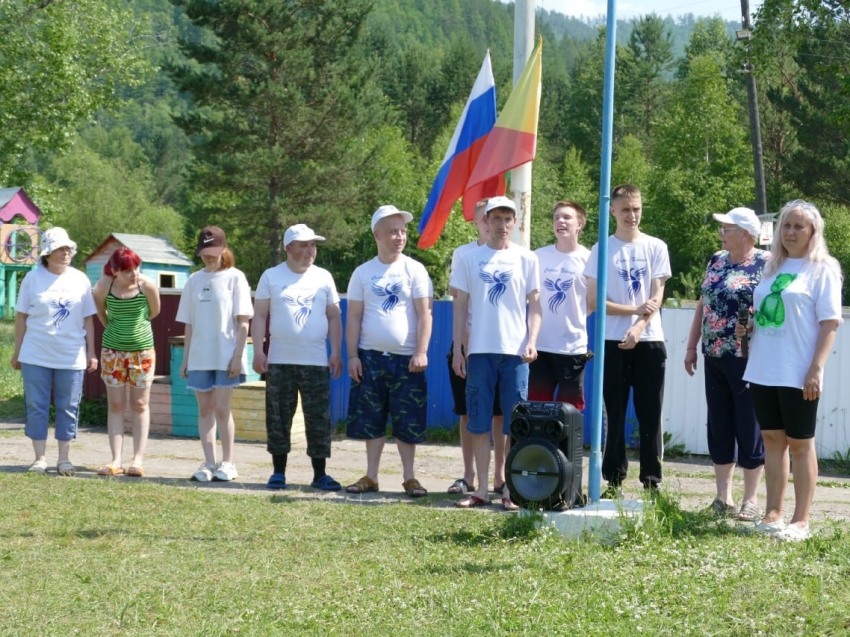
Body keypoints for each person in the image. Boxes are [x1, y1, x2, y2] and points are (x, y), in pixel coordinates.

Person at [739, 200, 842, 541]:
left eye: (799, 226)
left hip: (799, 371)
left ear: (813, 231)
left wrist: (816, 369)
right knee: (772, 441)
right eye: (786, 225)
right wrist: (750, 327)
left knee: (800, 444)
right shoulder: (771, 267)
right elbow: (769, 313)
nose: (791, 232)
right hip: (764, 368)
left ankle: (801, 520)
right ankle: (773, 513)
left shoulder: (823, 268)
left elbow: (829, 324)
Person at [451, 196, 542, 510]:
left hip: (515, 353)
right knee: (477, 421)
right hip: (479, 352)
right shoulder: (468, 259)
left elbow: (535, 307)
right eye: (496, 219)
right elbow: (460, 306)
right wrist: (459, 351)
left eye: (507, 219)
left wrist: (532, 340)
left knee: (514, 423)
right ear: (485, 222)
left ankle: (509, 489)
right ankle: (479, 491)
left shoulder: (526, 259)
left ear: (514, 222)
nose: (501, 225)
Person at [585, 184, 671, 495]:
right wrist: (633, 311)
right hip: (611, 341)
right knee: (615, 412)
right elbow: (594, 301)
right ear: (613, 211)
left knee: (650, 412)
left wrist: (638, 326)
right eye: (625, 210)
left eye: (636, 209)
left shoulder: (655, 246)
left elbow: (657, 294)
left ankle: (652, 482)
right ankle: (614, 480)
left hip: (649, 341)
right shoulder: (601, 249)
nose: (631, 215)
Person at [684, 207, 768, 521]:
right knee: (719, 425)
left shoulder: (765, 264)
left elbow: (774, 307)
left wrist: (756, 324)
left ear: (746, 233)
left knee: (748, 425)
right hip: (714, 355)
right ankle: (723, 497)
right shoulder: (717, 260)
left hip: (747, 357)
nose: (722, 233)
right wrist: (692, 345)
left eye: (727, 228)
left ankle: (750, 499)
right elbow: (702, 305)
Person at [344, 205, 433, 498]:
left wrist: (421, 351)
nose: (400, 237)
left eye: (403, 231)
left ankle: (410, 478)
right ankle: (371, 476)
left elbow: (425, 314)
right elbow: (354, 316)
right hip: (370, 358)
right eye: (393, 231)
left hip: (408, 361)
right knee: (371, 418)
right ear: (377, 234)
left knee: (408, 421)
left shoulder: (415, 269)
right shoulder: (362, 272)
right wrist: (353, 356)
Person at [252, 224, 343, 491]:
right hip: (280, 360)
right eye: (303, 245)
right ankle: (278, 472)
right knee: (278, 417)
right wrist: (259, 350)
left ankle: (320, 474)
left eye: (313, 245)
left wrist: (336, 351)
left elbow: (334, 316)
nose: (309, 250)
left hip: (316, 360)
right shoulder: (271, 276)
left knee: (318, 418)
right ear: (288, 247)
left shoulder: (324, 277)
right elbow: (258, 315)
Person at [10, 228, 98, 476]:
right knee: (36, 405)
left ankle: (64, 459)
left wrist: (92, 352)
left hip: (71, 355)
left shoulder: (81, 279)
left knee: (68, 406)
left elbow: (88, 319)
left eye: (68, 248)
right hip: (35, 353)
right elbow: (21, 318)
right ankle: (39, 458)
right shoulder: (32, 279)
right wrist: (17, 352)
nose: (66, 252)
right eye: (60, 248)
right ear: (47, 253)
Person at [176, 226, 253, 482]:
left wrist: (237, 356)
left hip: (226, 354)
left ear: (224, 250)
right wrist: (185, 359)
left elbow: (243, 322)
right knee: (205, 409)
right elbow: (188, 323)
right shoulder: (193, 280)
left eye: (214, 252)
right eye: (205, 252)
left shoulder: (235, 277)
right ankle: (209, 462)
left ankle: (228, 462)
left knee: (222, 408)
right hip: (200, 356)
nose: (209, 257)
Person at [446, 199, 506, 496]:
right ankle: (469, 476)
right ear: (477, 221)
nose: (489, 222)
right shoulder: (464, 254)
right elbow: (458, 297)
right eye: (483, 217)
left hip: (500, 346)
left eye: (493, 217)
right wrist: (461, 344)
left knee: (501, 415)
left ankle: (500, 476)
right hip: (468, 344)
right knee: (468, 413)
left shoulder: (514, 255)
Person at [92, 247, 161, 477]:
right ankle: (115, 460)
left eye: (136, 268)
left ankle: (138, 461)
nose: (134, 274)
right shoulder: (103, 286)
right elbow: (102, 315)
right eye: (127, 270)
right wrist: (116, 331)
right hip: (113, 352)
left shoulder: (147, 285)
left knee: (140, 404)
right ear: (114, 272)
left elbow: (154, 311)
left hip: (142, 353)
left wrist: (135, 331)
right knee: (116, 405)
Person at [530, 200, 592, 409]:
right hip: (539, 347)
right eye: (556, 217)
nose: (560, 221)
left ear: (579, 224)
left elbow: (592, 303)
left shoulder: (589, 258)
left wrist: (574, 319)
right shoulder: (538, 256)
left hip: (572, 348)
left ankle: (564, 444)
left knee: (568, 413)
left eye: (566, 217)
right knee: (537, 410)